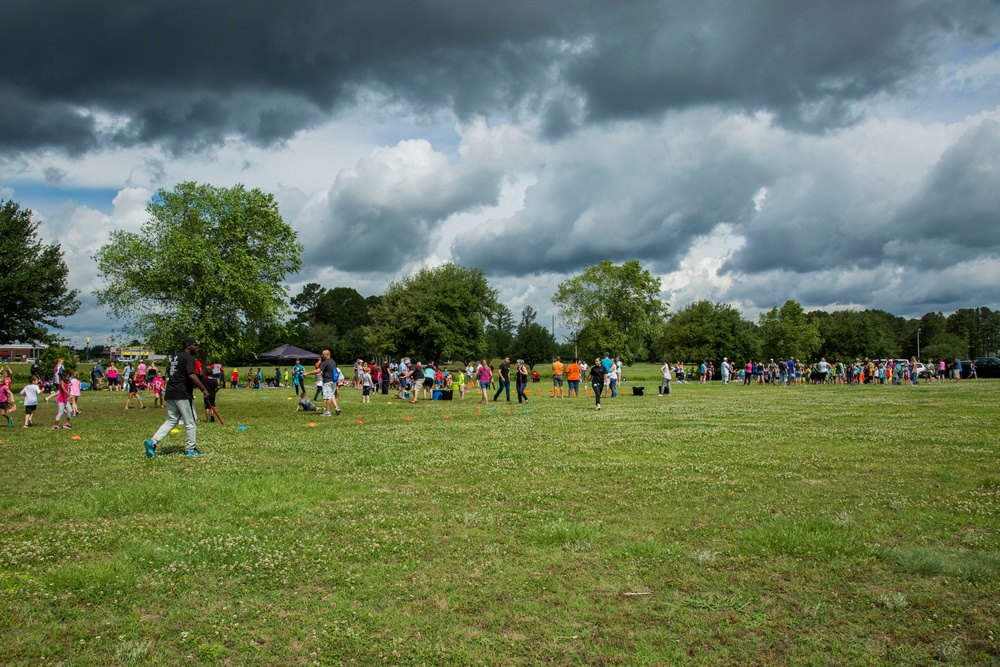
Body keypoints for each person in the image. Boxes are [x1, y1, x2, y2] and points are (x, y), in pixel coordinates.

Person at [143, 338, 210, 458]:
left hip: (171, 392)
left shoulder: (175, 357)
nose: (197, 347)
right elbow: (191, 375)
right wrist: (204, 389)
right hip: (182, 393)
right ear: (188, 346)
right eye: (195, 345)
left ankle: (152, 442)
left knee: (172, 420)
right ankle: (191, 449)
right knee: (191, 422)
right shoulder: (188, 358)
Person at [304, 349, 341, 416]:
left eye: (323, 354)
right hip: (333, 381)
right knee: (332, 395)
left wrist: (307, 373)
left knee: (327, 397)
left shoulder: (325, 362)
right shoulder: (333, 361)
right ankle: (337, 408)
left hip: (327, 381)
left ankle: (328, 412)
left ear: (327, 354)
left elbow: (318, 370)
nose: (322, 355)